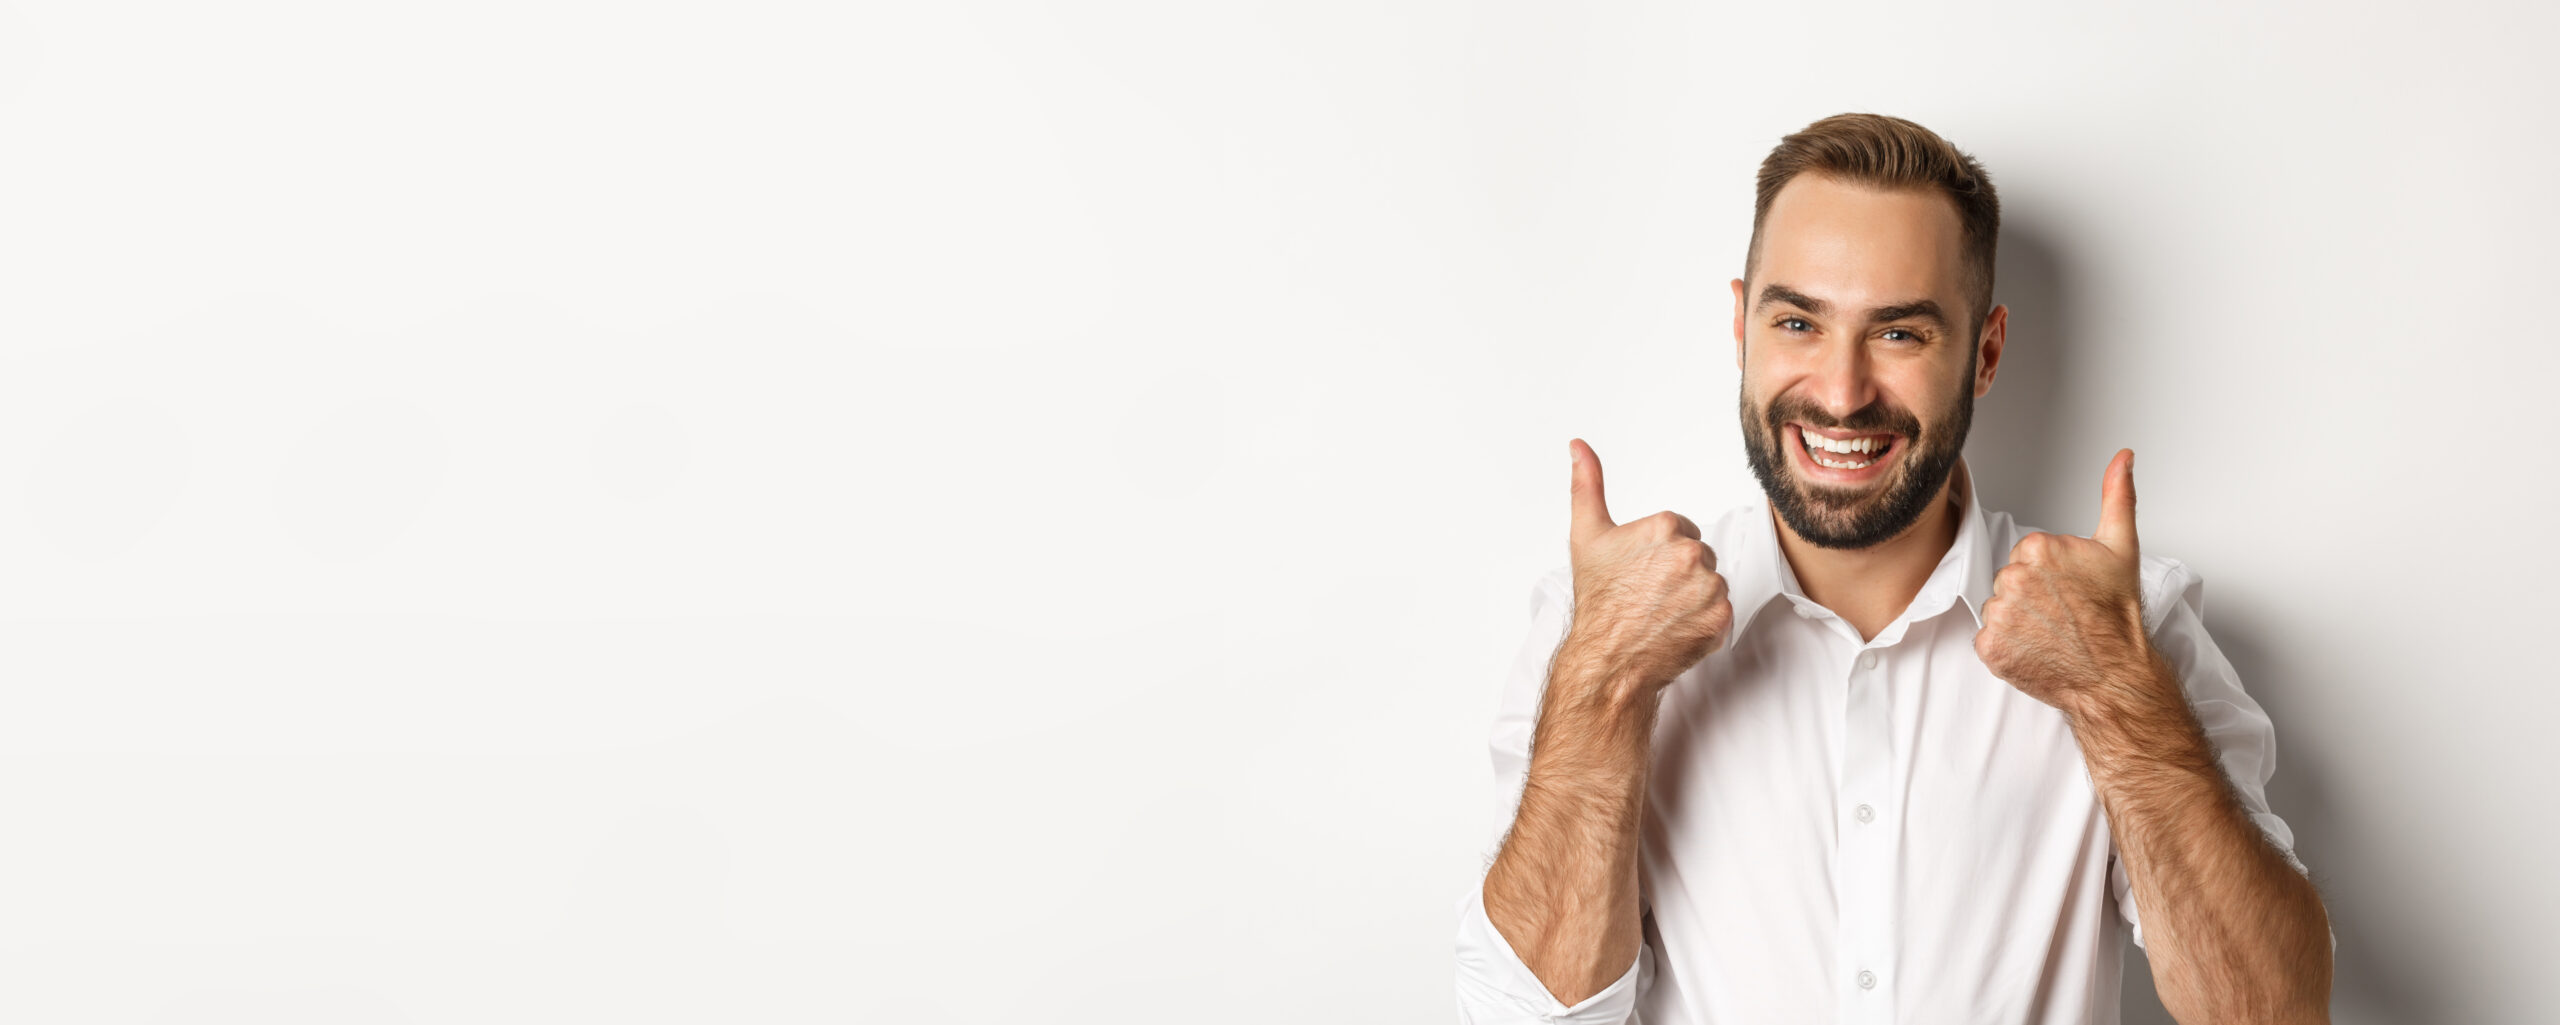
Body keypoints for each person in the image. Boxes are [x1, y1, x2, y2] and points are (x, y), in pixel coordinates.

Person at [1452, 113, 2335, 1024]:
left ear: (1985, 353)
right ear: (1740, 326)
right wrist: (1606, 683)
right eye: (1797, 321)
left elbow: (2274, 1012)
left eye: (1900, 334)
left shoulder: (2127, 630)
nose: (1840, 392)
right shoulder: (1594, 626)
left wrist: (2119, 700)